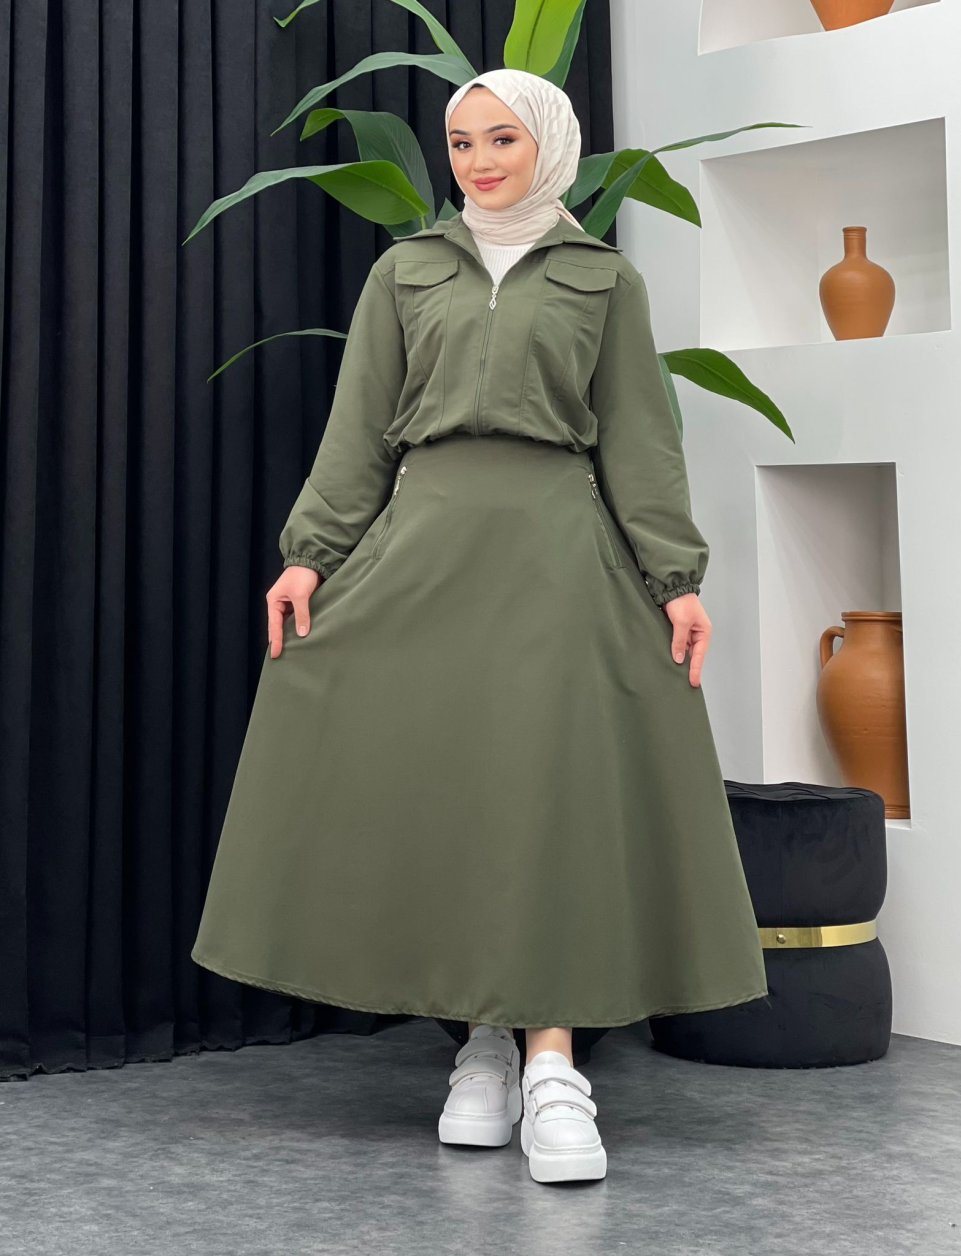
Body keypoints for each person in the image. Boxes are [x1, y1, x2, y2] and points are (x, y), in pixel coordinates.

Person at [190, 67, 769, 1186]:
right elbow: (359, 428)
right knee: (453, 793)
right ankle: (484, 1045)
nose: (478, 161)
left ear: (548, 143)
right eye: (460, 142)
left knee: (543, 795)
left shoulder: (603, 278)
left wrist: (676, 577)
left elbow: (638, 440)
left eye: (502, 138)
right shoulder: (405, 270)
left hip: (558, 556)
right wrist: (309, 556)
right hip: (421, 551)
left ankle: (552, 1063)